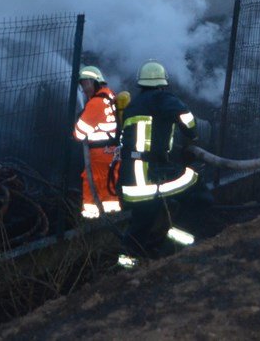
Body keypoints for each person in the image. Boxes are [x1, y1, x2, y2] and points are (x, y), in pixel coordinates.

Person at [116, 60, 200, 268]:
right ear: (162, 84)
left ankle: (125, 268)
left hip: (129, 177)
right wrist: (193, 136)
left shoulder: (132, 105)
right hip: (149, 174)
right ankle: (172, 249)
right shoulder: (163, 98)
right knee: (199, 192)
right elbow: (186, 118)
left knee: (143, 219)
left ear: (141, 84)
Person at [72, 65, 120, 219]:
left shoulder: (95, 103)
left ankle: (90, 219)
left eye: (85, 83)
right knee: (109, 183)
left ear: (95, 82)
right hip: (113, 151)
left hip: (99, 154)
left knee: (91, 181)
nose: (84, 89)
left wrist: (80, 119)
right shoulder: (111, 96)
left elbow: (79, 134)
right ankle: (111, 217)